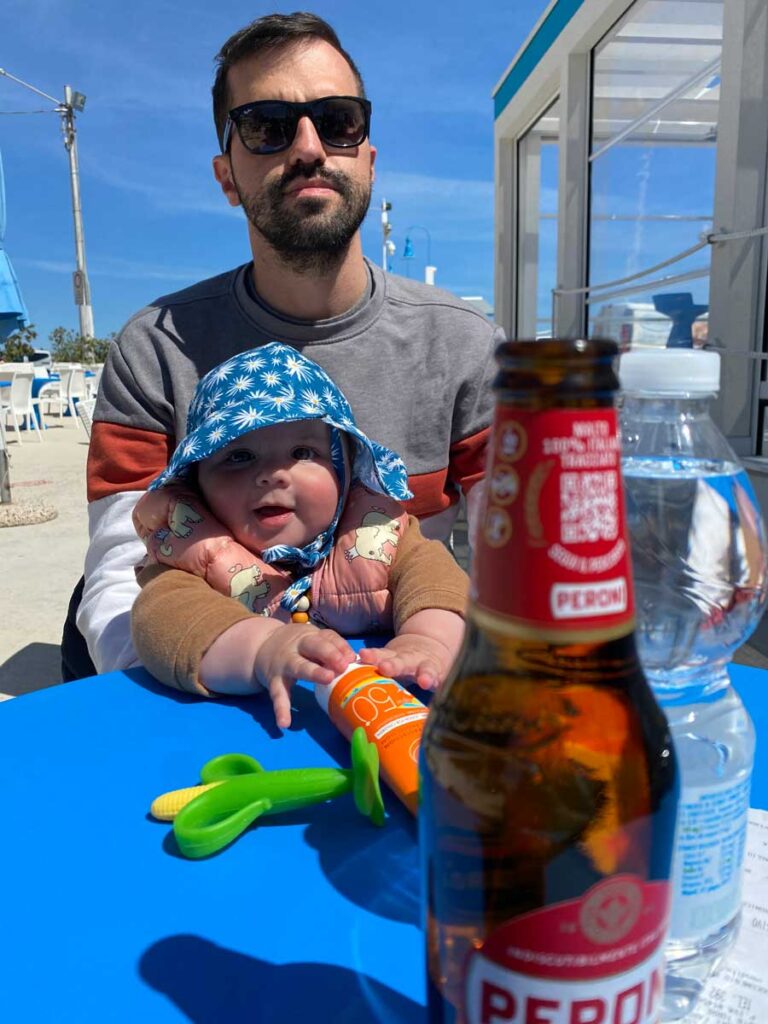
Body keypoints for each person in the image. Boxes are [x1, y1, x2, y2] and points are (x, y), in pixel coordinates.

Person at [66, 11, 502, 681]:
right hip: (217, 690)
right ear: (226, 176)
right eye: (267, 126)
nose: (308, 147)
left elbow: (524, 558)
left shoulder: (466, 344)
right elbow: (124, 585)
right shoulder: (151, 349)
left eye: (338, 121)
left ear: (369, 158)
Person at [131, 344, 468, 727]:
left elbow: (441, 584)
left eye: (303, 452)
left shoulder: (379, 537)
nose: (273, 474)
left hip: (391, 710)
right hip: (260, 737)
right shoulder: (191, 559)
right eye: (239, 456)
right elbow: (161, 623)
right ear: (196, 484)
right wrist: (262, 648)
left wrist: (428, 642)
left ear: (344, 470)